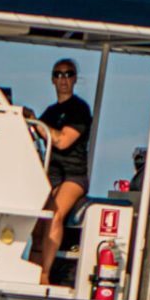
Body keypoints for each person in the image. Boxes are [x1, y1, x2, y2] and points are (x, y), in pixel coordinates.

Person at [31, 56, 93, 283]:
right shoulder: (50, 111)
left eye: (68, 74)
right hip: (53, 175)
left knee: (54, 215)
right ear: (52, 80)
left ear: (75, 79)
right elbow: (40, 134)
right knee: (36, 222)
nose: (63, 79)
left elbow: (62, 141)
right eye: (59, 74)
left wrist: (37, 124)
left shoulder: (79, 109)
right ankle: (31, 267)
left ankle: (45, 274)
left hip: (74, 175)